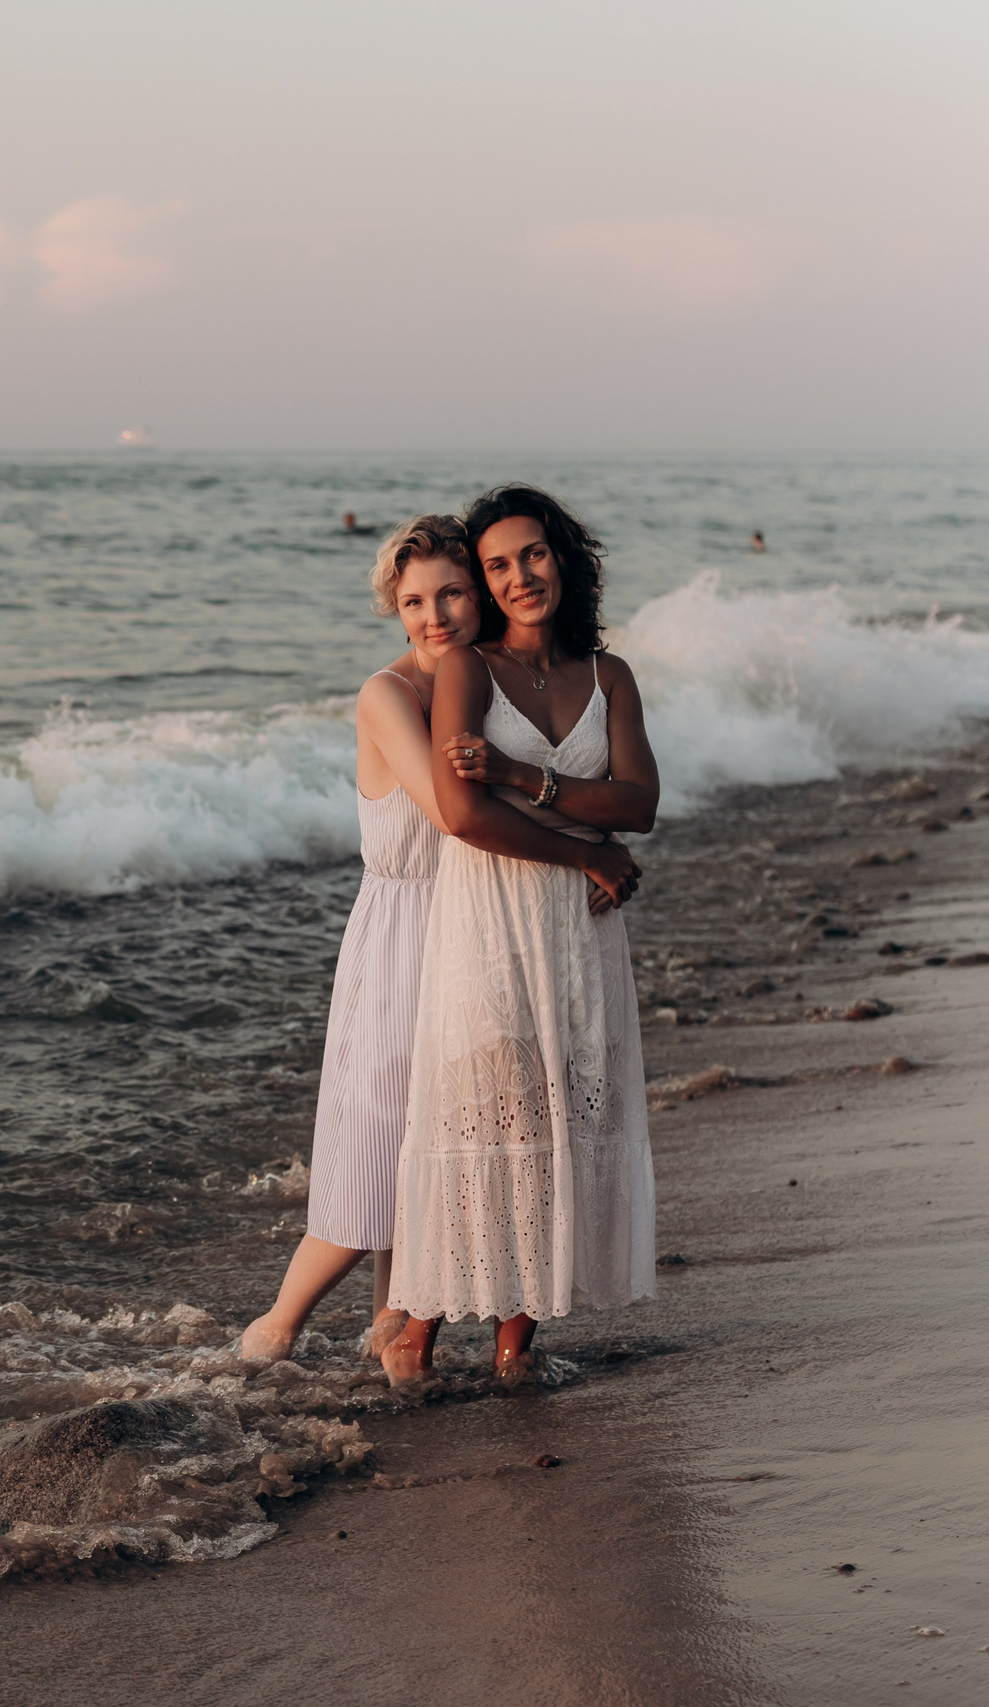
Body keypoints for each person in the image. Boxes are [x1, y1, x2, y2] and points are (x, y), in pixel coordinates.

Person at [236, 516, 610, 1365]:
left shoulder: (490, 689)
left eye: (449, 592)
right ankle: (264, 1344)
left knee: (440, 1166)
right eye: (413, 601)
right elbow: (454, 811)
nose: (434, 614)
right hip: (405, 937)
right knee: (369, 1178)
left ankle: (395, 1350)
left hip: (477, 941)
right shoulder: (388, 693)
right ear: (393, 610)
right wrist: (588, 851)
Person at [382, 484, 659, 1388]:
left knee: (561, 1125)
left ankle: (514, 1351)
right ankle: (413, 1343)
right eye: (496, 565)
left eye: (532, 555)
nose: (518, 576)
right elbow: (462, 813)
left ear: (563, 556)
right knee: (485, 1118)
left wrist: (522, 775)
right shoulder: (468, 669)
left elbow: (640, 803)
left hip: (580, 942)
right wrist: (585, 854)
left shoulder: (607, 675)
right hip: (490, 926)